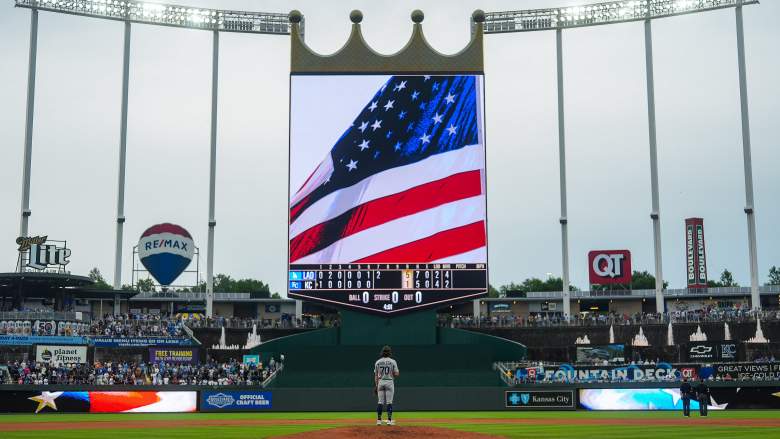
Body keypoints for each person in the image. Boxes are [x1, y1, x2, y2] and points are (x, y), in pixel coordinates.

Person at [374, 345, 399, 426]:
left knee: (380, 402)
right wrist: (393, 373)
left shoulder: (378, 362)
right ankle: (389, 420)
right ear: (389, 353)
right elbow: (396, 374)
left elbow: (376, 375)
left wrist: (376, 385)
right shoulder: (393, 361)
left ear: (382, 353)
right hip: (389, 381)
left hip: (380, 382)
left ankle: (378, 420)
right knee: (389, 402)